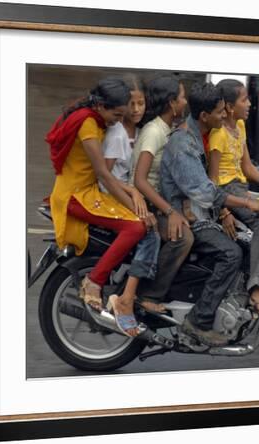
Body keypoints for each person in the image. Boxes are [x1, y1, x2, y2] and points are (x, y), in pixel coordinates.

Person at [160, 81, 259, 347]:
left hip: (201, 210)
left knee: (245, 242)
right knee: (231, 253)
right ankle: (198, 321)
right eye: (220, 112)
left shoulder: (200, 134)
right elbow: (207, 192)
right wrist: (247, 205)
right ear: (204, 116)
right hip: (188, 215)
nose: (224, 116)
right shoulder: (185, 145)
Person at [45, 77, 152, 337]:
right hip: (76, 195)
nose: (117, 121)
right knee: (136, 228)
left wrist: (130, 192)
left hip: (85, 190)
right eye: (116, 115)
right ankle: (94, 281)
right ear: (102, 106)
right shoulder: (89, 125)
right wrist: (137, 210)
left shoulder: (93, 116)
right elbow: (104, 174)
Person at [208, 78, 259, 317]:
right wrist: (224, 211)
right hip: (226, 192)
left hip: (240, 188)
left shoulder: (239, 128)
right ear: (230, 107)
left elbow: (248, 168)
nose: (250, 103)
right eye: (245, 99)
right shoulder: (218, 134)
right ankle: (255, 287)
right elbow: (211, 180)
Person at [99, 76, 163, 313]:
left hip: (127, 191)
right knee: (150, 232)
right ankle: (129, 296)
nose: (136, 109)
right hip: (111, 193)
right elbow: (105, 175)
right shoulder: (116, 133)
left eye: (141, 103)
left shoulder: (142, 132)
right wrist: (133, 191)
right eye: (131, 104)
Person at [130, 75, 194, 305]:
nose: (185, 102)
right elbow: (140, 180)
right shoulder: (154, 131)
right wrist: (170, 212)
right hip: (145, 202)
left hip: (159, 200)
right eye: (182, 97)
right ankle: (148, 294)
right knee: (183, 238)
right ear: (171, 103)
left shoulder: (169, 129)